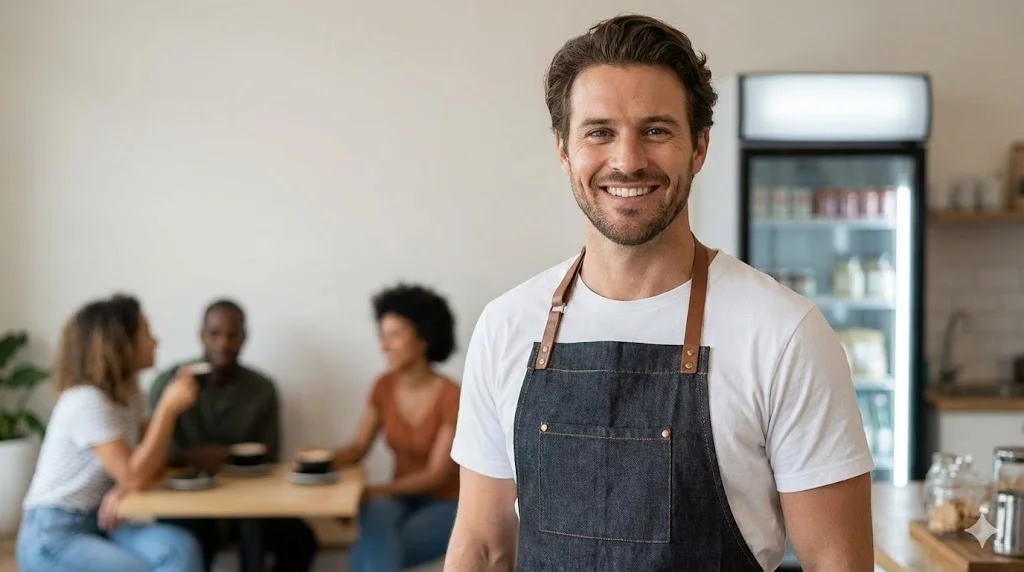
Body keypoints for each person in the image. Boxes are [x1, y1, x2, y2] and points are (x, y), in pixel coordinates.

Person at [445, 14, 875, 572]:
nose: (627, 160)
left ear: (698, 147)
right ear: (563, 150)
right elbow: (481, 548)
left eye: (656, 130)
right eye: (599, 131)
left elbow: (837, 564)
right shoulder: (507, 326)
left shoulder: (783, 333)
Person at [16, 294, 204, 572]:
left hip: (103, 520)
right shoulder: (86, 401)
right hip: (54, 533)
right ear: (121, 344)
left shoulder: (131, 394)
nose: (156, 341)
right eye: (146, 334)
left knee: (180, 548)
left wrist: (122, 488)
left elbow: (151, 464)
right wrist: (167, 408)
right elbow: (135, 474)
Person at [148, 298, 318, 572]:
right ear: (202, 335)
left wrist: (229, 456)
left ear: (244, 337)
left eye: (232, 335)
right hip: (187, 504)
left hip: (248, 500)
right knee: (188, 546)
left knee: (301, 540)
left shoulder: (261, 388)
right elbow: (150, 456)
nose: (223, 344)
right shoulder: (170, 384)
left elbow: (271, 456)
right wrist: (191, 457)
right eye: (214, 334)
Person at [312, 283, 460, 572]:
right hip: (398, 498)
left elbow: (435, 475)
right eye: (382, 336)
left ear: (423, 339)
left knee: (375, 545)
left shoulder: (452, 396)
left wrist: (368, 492)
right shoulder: (383, 387)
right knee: (378, 523)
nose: (384, 346)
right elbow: (356, 449)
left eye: (394, 335)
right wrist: (319, 458)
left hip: (447, 503)